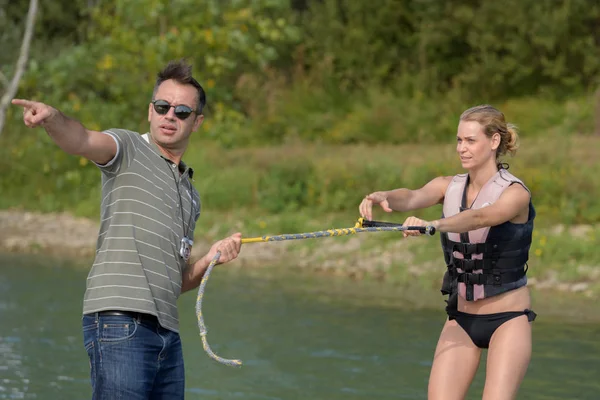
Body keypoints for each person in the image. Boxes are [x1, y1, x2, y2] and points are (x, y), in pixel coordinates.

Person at [12, 59, 242, 399]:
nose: (169, 116)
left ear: (196, 122)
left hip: (168, 334)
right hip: (119, 323)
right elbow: (82, 140)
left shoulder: (191, 196)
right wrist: (53, 118)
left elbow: (174, 282)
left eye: (181, 111)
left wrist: (210, 259)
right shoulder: (128, 148)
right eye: (163, 107)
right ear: (150, 111)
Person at [359, 104, 536, 400]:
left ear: (494, 142)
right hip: (461, 317)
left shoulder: (515, 193)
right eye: (458, 140)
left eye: (470, 140)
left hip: (507, 318)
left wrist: (433, 224)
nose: (462, 149)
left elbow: (482, 217)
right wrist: (384, 196)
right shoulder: (447, 185)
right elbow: (413, 196)